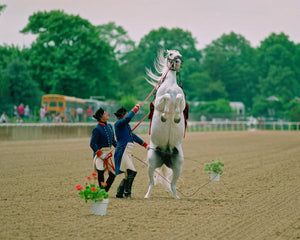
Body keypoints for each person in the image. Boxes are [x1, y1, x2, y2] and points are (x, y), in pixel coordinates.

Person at [114, 105, 149, 199]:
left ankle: (119, 193)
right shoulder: (118, 123)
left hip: (127, 151)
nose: (127, 114)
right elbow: (128, 118)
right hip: (123, 151)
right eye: (126, 113)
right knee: (132, 171)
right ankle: (127, 192)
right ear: (123, 115)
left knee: (128, 173)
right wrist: (135, 109)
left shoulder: (125, 125)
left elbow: (134, 136)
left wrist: (145, 145)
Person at [90, 107, 117, 192]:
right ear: (102, 118)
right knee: (100, 172)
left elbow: (113, 141)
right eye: (105, 114)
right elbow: (92, 144)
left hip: (109, 153)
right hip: (100, 154)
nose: (107, 114)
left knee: (113, 174)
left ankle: (104, 190)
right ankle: (102, 191)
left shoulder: (109, 126)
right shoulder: (97, 129)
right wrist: (100, 154)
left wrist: (120, 147)